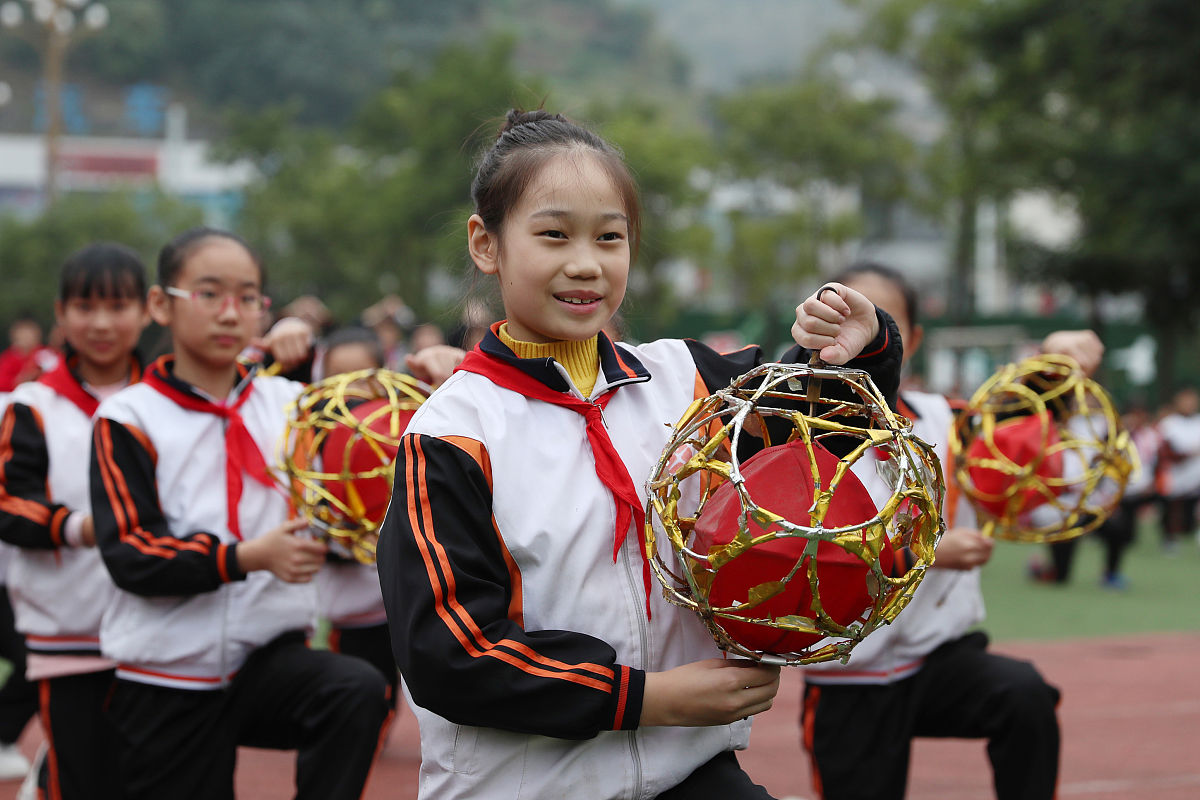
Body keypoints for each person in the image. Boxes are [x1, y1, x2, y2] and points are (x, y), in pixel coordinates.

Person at [376, 109, 904, 800]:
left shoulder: (687, 380)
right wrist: (647, 699)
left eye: (610, 237)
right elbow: (452, 655)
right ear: (487, 243)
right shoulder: (451, 434)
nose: (586, 263)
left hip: (687, 772)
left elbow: (813, 433)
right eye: (553, 234)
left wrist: (860, 343)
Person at [88, 227, 390, 800]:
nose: (231, 313)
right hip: (166, 675)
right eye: (209, 294)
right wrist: (248, 558)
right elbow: (131, 554)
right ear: (161, 305)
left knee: (354, 688)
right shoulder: (128, 418)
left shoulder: (291, 407)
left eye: (248, 297)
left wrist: (440, 378)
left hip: (266, 660)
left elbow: (364, 461)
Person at [800, 261, 1088, 800]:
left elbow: (1016, 415)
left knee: (1023, 696)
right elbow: (806, 549)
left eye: (883, 318)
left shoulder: (947, 417)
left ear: (909, 338)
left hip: (937, 659)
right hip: (850, 673)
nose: (861, 331)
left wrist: (1058, 358)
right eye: (844, 314)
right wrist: (926, 553)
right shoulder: (797, 430)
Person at [0, 243, 153, 798]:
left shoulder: (164, 400)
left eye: (118, 306)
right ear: (60, 314)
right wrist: (83, 528)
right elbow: (8, 505)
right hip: (67, 635)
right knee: (82, 778)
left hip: (160, 632)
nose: (103, 323)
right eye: (86, 307)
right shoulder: (33, 406)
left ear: (149, 310)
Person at [1156, 386, 1200, 554]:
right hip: (1175, 476)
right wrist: (1187, 454)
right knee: (1172, 510)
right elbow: (1165, 451)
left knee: (1191, 513)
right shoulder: (1169, 423)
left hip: (1196, 476)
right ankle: (1170, 539)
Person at [0, 317, 60, 393]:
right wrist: (18, 382)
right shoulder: (9, 358)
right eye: (22, 336)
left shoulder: (44, 354)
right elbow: (2, 382)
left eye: (29, 336)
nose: (26, 340)